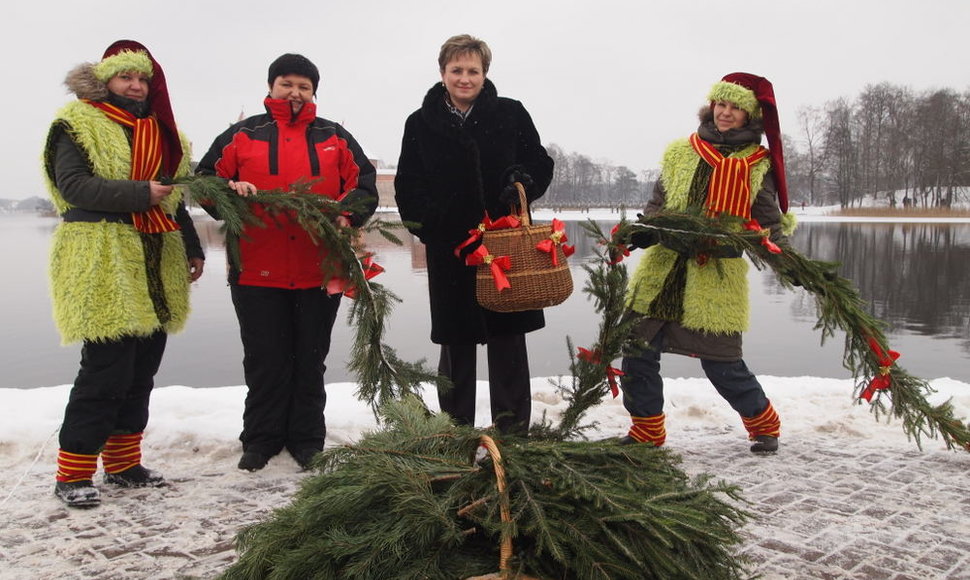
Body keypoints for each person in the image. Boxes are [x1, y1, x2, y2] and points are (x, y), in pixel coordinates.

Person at [42, 40, 205, 508]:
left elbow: (173, 198)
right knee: (105, 370)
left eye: (142, 79)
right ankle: (72, 471)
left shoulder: (161, 132)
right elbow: (74, 187)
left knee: (140, 370)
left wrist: (191, 247)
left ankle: (123, 464)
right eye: (125, 77)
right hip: (103, 258)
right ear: (105, 81)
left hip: (156, 257)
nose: (135, 86)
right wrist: (140, 193)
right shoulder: (77, 124)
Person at [196, 54, 377, 472]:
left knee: (310, 358)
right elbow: (205, 180)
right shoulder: (243, 135)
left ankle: (307, 438)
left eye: (304, 86)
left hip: (320, 270)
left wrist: (345, 214)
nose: (295, 93)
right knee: (265, 358)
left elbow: (364, 185)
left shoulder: (335, 136)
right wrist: (228, 189)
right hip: (257, 270)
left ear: (314, 92)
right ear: (271, 87)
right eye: (287, 84)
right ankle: (260, 439)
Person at [618, 72, 793, 454]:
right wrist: (645, 230)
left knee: (722, 363)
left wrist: (788, 261)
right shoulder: (681, 153)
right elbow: (657, 206)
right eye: (721, 104)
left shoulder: (755, 165)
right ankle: (647, 431)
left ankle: (764, 423)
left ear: (750, 117)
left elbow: (767, 225)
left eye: (736, 108)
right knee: (637, 352)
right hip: (663, 272)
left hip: (712, 276)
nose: (726, 113)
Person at [395, 34, 554, 436]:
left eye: (473, 71)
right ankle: (455, 429)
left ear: (485, 74)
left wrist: (521, 181)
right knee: (456, 344)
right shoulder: (419, 122)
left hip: (505, 243)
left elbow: (538, 161)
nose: (465, 78)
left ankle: (512, 431)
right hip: (452, 248)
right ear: (443, 73)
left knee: (509, 341)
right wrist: (438, 226)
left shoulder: (510, 113)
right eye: (457, 71)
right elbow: (408, 186)